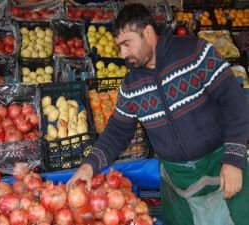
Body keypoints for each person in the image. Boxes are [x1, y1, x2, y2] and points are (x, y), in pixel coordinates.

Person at [67, 3, 249, 225]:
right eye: (119, 47)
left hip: (219, 167)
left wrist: (233, 160)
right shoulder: (131, 85)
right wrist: (88, 166)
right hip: (176, 180)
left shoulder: (197, 54)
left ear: (147, 33)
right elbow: (116, 132)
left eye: (127, 44)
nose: (123, 54)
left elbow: (236, 104)